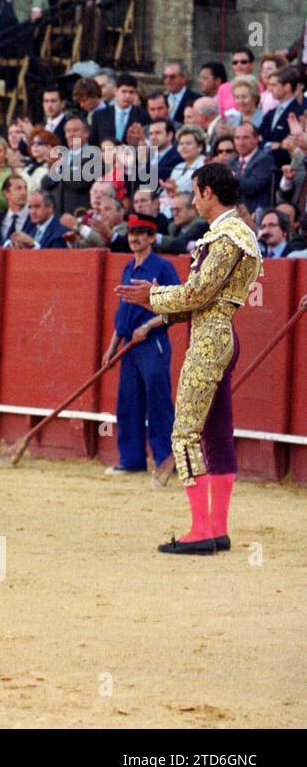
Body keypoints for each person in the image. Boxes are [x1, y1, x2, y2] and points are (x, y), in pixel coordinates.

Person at [114, 164, 263, 555]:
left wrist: (155, 296)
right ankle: (217, 528)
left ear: (209, 192)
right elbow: (203, 298)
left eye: (195, 192)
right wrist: (160, 305)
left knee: (183, 434)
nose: (192, 200)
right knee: (215, 432)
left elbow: (199, 292)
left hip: (211, 340)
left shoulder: (230, 235)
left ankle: (200, 530)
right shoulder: (229, 233)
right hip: (215, 332)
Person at [103, 213, 179, 477]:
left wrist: (148, 327)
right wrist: (112, 345)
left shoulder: (163, 267)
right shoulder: (128, 267)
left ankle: (165, 461)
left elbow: (176, 308)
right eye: (132, 233)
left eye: (141, 233)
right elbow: (123, 312)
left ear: (152, 237)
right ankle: (132, 459)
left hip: (152, 342)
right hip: (129, 343)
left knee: (157, 402)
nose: (134, 238)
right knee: (129, 402)